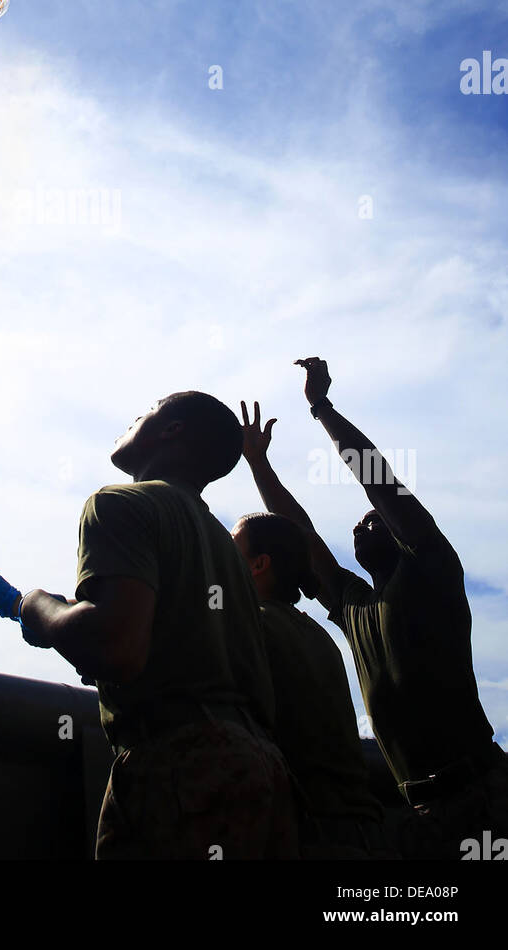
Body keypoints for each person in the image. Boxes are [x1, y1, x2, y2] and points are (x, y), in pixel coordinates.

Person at [0, 390, 298, 860]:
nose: (130, 422)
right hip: (263, 773)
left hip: (181, 765)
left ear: (170, 429)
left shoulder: (118, 504)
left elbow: (117, 649)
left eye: (144, 413)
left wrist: (33, 605)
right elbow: (172, 649)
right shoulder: (225, 551)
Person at [243, 358, 507, 859]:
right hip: (421, 812)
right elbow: (299, 534)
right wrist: (259, 464)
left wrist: (321, 408)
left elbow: (378, 481)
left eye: (375, 520)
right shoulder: (352, 605)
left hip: (487, 794)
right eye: (359, 525)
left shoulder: (430, 570)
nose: (364, 524)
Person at [232, 452, 389, 858]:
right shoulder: (319, 636)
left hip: (305, 833)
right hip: (360, 833)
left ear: (258, 565)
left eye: (232, 549)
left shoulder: (252, 625)